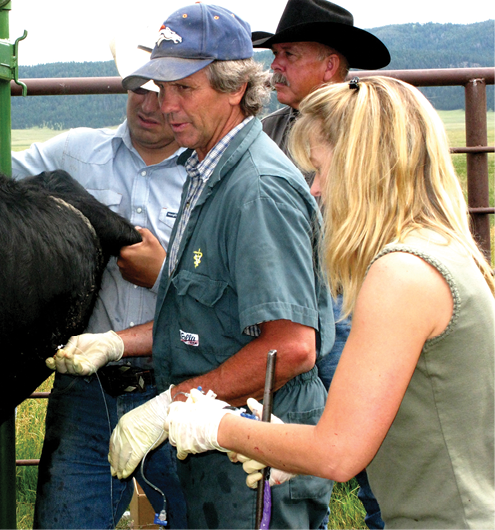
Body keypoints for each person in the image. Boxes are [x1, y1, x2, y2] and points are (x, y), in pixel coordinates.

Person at [164, 76, 495, 529]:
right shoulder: (442, 251)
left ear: (364, 168)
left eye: (320, 168)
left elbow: (339, 453)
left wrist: (212, 425)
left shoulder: (401, 274)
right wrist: (282, 445)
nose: (316, 189)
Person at [107, 3, 336, 529]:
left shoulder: (255, 190)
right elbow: (207, 318)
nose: (166, 106)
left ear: (235, 88)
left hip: (257, 453)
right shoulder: (205, 167)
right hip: (220, 441)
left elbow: (294, 347)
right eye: (160, 89)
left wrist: (169, 405)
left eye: (184, 89)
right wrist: (117, 343)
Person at [12, 40, 188, 530]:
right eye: (138, 88)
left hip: (181, 387)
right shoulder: (73, 154)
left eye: (163, 92)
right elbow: (1, 183)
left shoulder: (210, 178)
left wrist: (164, 272)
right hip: (88, 388)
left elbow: (227, 289)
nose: (149, 105)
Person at [253, 1, 390, 527]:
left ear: (330, 64)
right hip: (294, 310)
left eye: (288, 54)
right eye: (275, 54)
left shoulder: (367, 129)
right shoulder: (267, 131)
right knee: (294, 466)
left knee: (379, 459)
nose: (275, 66)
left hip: (354, 304)